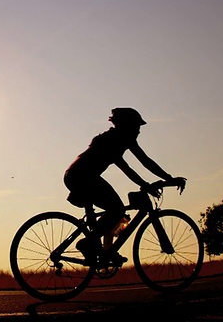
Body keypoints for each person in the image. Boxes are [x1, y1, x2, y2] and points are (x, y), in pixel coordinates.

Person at [63, 107, 184, 264]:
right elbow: (129, 169)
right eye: (137, 127)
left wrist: (168, 178)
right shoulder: (113, 141)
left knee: (113, 212)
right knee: (117, 210)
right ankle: (88, 243)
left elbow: (145, 161)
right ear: (127, 126)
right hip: (83, 176)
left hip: (78, 175)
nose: (139, 131)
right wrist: (149, 184)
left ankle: (103, 251)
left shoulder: (119, 139)